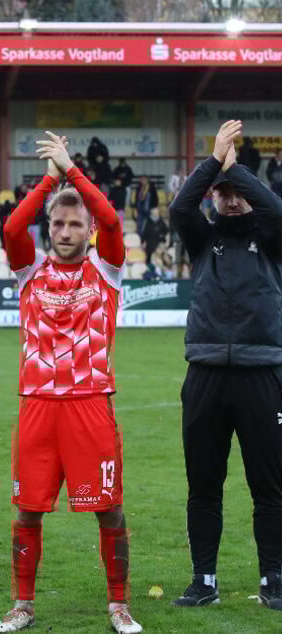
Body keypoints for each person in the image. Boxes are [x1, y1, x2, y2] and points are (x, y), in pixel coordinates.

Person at [0, 131, 141, 634]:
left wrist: (72, 170)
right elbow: (13, 227)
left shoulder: (107, 270)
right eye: (58, 222)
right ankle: (22, 605)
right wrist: (49, 181)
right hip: (37, 406)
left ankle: (118, 604)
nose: (65, 230)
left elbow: (115, 220)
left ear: (89, 230)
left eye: (76, 223)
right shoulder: (29, 271)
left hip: (90, 403)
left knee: (109, 508)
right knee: (28, 510)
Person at [168, 120, 282, 611]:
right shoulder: (201, 238)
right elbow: (178, 206)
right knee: (204, 485)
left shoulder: (274, 237)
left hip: (263, 373)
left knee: (270, 487)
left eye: (239, 193)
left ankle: (273, 580)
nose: (232, 201)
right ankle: (204, 579)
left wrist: (238, 171)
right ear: (213, 197)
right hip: (206, 373)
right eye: (224, 193)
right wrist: (214, 164)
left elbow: (276, 208)